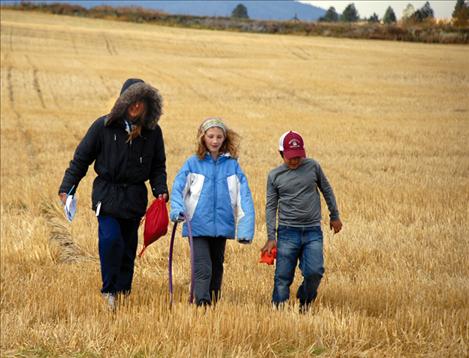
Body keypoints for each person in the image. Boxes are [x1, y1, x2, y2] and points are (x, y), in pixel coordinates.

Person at [58, 78, 168, 310]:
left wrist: (160, 191)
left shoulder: (153, 132)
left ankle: (124, 290)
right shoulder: (103, 126)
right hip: (107, 196)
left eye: (142, 102)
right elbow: (81, 159)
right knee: (110, 240)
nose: (137, 106)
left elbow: (158, 166)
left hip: (134, 198)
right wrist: (67, 188)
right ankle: (109, 290)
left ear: (149, 105)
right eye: (132, 100)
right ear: (123, 101)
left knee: (128, 247)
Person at [170, 117, 255, 306]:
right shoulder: (193, 163)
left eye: (219, 137)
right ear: (203, 138)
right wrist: (177, 209)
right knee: (203, 267)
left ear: (225, 139)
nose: (215, 141)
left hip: (222, 226)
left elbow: (244, 196)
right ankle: (202, 304)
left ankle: (213, 304)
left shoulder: (232, 165)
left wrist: (245, 229)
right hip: (197, 225)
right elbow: (178, 188)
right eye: (210, 136)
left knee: (217, 267)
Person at [261, 130, 342, 313]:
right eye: (290, 157)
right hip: (287, 232)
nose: (295, 160)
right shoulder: (275, 176)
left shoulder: (313, 166)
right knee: (282, 276)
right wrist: (270, 237)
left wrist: (334, 215)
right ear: (281, 154)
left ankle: (304, 302)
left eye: (298, 156)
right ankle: (279, 311)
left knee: (315, 272)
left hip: (313, 231)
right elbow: (271, 207)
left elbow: (327, 190)